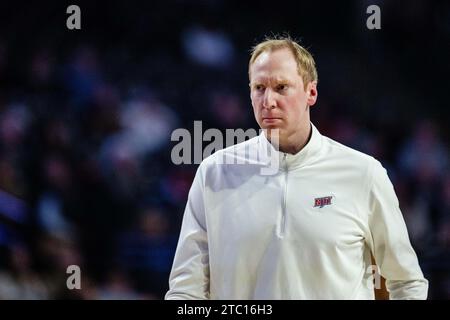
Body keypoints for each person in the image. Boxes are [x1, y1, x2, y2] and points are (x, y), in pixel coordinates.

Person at [165, 36, 428, 299]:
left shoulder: (364, 174)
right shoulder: (214, 173)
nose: (268, 100)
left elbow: (406, 282)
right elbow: (186, 291)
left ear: (311, 92)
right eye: (259, 88)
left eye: (281, 87)